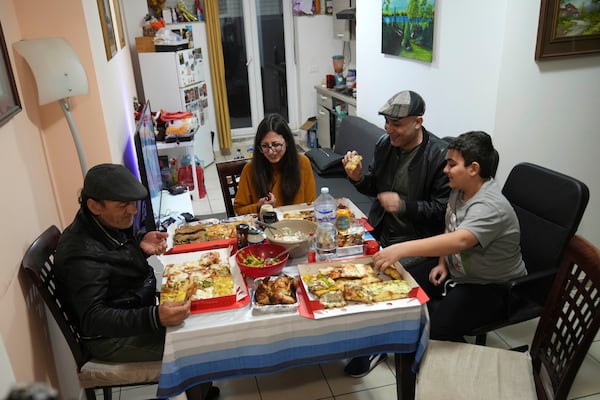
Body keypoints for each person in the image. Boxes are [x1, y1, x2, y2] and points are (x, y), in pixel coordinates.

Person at [54, 163, 219, 400]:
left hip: (132, 309)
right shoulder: (80, 252)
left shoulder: (102, 223)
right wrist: (153, 316)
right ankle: (199, 391)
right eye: (123, 205)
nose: (132, 211)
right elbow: (94, 318)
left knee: (201, 317)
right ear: (94, 205)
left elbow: (112, 264)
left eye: (133, 203)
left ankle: (201, 389)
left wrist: (140, 245)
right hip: (110, 338)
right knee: (195, 344)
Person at [373, 131, 527, 342]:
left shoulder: (490, 206)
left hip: (492, 286)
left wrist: (400, 249)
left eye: (451, 165)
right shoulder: (459, 189)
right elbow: (451, 226)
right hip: (458, 271)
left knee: (436, 329)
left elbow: (460, 240)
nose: (445, 170)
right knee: (399, 286)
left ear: (473, 169)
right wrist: (442, 263)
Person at [341, 90, 450, 377]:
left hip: (417, 243)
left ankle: (376, 347)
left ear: (418, 121)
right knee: (341, 268)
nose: (389, 129)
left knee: (374, 285)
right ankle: (352, 336)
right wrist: (358, 178)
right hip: (381, 232)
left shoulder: (439, 155)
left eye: (396, 124)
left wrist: (404, 205)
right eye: (387, 121)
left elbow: (443, 211)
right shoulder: (384, 144)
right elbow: (375, 187)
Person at [234, 113, 317, 215]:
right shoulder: (250, 169)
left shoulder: (302, 163)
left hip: (296, 225)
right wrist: (259, 206)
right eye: (265, 146)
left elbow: (311, 205)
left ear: (286, 142)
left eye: (276, 144)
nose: (271, 151)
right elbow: (239, 210)